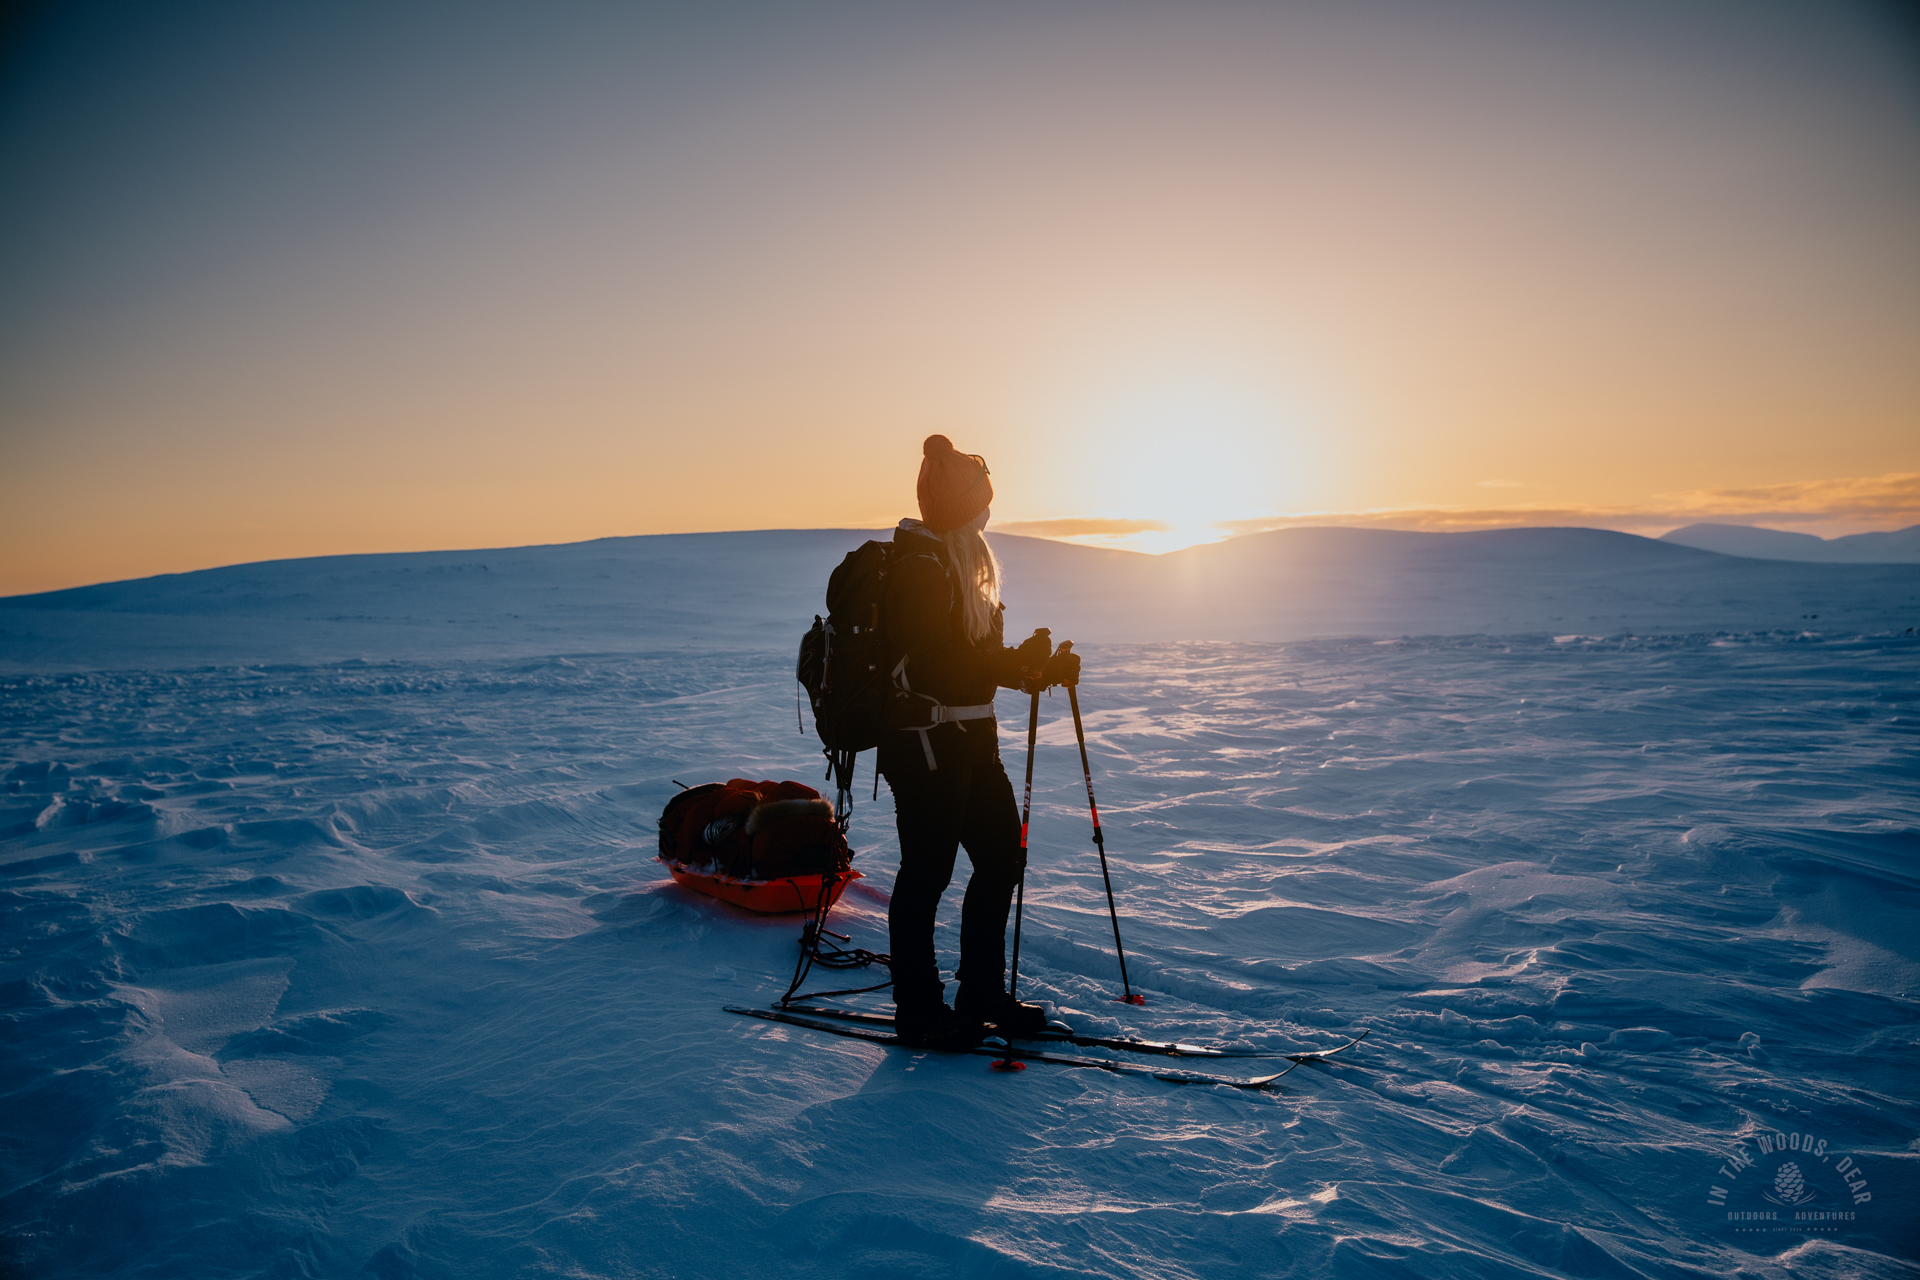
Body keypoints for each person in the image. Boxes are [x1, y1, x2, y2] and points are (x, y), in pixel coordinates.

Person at [881, 434, 1080, 1049]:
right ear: (963, 510)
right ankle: (918, 1010)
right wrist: (1013, 664)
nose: (988, 516)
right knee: (928, 873)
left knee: (1000, 860)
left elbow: (975, 661)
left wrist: (1033, 670)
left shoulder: (964, 567)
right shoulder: (918, 568)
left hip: (970, 739)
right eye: (982, 506)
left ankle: (981, 993)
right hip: (925, 744)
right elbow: (940, 667)